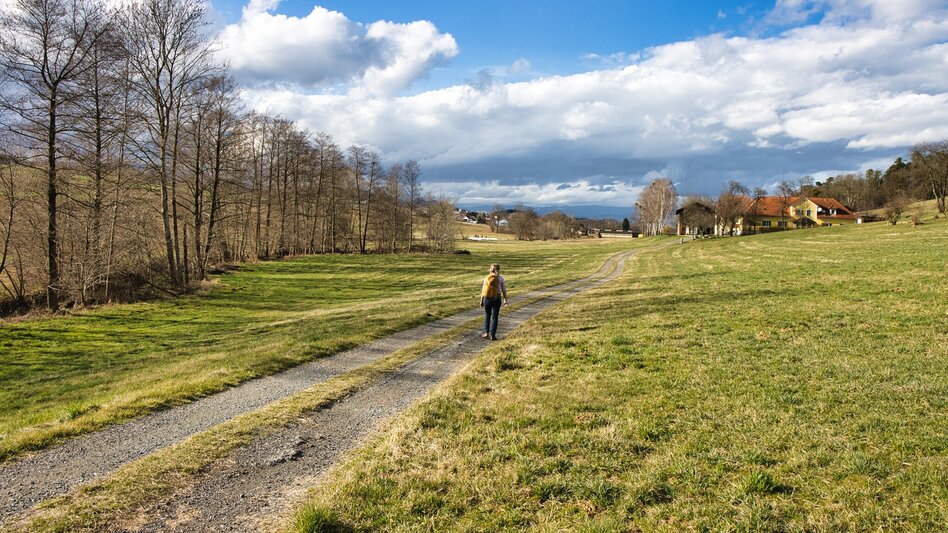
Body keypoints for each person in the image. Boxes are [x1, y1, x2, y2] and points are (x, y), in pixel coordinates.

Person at [479, 263, 508, 340]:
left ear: (490, 269)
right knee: (495, 317)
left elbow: (483, 290)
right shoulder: (501, 278)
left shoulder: (486, 278)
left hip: (487, 298)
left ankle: (486, 333)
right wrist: (505, 299)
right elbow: (504, 290)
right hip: (496, 298)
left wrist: (481, 300)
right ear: (498, 270)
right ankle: (493, 335)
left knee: (487, 316)